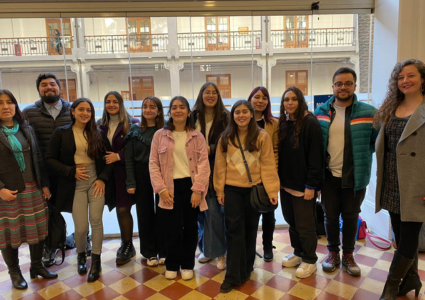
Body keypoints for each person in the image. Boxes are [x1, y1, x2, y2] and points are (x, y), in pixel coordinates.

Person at [315, 67, 378, 277]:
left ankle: (349, 255)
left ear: (355, 86)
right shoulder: (320, 113)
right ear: (332, 87)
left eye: (348, 83)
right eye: (339, 83)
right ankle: (333, 253)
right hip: (328, 177)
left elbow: (375, 143)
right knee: (330, 217)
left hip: (355, 177)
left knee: (351, 217)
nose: (343, 87)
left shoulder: (369, 113)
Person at [45, 98, 114, 282]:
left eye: (89, 110)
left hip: (95, 181)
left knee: (96, 221)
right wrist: (70, 171)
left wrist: (102, 179)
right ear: (73, 111)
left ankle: (97, 260)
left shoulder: (98, 133)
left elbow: (109, 160)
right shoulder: (61, 133)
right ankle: (81, 255)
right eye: (81, 109)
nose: (85, 113)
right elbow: (50, 159)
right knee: (82, 227)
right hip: (74, 182)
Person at [214, 100, 279, 293]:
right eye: (237, 112)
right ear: (232, 116)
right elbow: (219, 167)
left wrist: (272, 190)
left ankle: (247, 267)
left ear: (251, 114)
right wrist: (219, 190)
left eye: (245, 112)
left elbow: (268, 164)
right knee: (234, 231)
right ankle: (233, 275)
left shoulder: (262, 136)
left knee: (250, 230)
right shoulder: (225, 138)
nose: (241, 115)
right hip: (232, 190)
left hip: (255, 189)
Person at [22, 73, 87, 267]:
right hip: (45, 172)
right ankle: (52, 246)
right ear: (39, 90)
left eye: (52, 84)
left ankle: (83, 239)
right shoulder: (29, 113)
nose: (49, 88)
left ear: (60, 87)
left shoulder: (73, 109)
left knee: (80, 208)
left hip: (74, 170)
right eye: (44, 85)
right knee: (50, 211)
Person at [374, 59, 425, 300]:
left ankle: (392, 285)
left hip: (417, 184)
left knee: (409, 237)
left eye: (411, 76)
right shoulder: (391, 107)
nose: (405, 80)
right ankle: (413, 278)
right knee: (400, 235)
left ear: (422, 79)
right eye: (401, 77)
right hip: (392, 182)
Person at [0, 89, 57, 290]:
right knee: (8, 234)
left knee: (38, 229)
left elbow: (38, 158)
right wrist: (0, 190)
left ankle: (37, 266)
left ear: (15, 105)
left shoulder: (25, 127)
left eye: (9, 102)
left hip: (33, 188)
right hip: (8, 194)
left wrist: (44, 184)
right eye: (0, 103)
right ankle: (15, 272)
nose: (5, 107)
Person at [149, 96, 210, 281]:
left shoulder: (197, 136)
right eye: (174, 107)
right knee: (171, 229)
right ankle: (172, 264)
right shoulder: (160, 135)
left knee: (191, 228)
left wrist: (198, 190)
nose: (178, 110)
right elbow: (153, 163)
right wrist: (161, 189)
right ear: (169, 112)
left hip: (190, 187)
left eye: (182, 107)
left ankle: (187, 264)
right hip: (169, 188)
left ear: (188, 111)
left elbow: (204, 164)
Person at [278, 87, 323, 278]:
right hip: (286, 185)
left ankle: (310, 259)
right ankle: (298, 253)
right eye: (286, 99)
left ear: (301, 101)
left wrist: (311, 185)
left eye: (294, 99)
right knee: (292, 221)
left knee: (305, 225)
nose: (290, 103)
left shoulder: (310, 123)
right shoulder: (285, 123)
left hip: (304, 186)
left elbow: (316, 157)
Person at [98, 91, 139, 265]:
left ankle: (127, 245)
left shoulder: (133, 124)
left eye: (115, 101)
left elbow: (137, 149)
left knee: (123, 209)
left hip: (125, 173)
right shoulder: (98, 125)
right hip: (106, 175)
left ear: (121, 104)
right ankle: (125, 243)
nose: (112, 105)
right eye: (108, 101)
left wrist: (119, 156)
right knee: (116, 208)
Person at [192, 82, 229, 269]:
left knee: (214, 212)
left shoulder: (226, 117)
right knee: (200, 213)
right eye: (207, 92)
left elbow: (231, 142)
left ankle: (220, 252)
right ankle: (207, 248)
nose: (211, 95)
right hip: (193, 168)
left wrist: (210, 149)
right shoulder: (192, 116)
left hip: (216, 167)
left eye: (215, 92)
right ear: (201, 94)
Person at [125, 96, 166, 266]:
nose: (148, 109)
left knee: (165, 213)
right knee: (145, 214)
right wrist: (131, 182)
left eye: (152, 106)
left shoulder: (165, 130)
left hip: (163, 174)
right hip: (141, 174)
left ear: (158, 111)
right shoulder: (135, 130)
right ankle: (149, 252)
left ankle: (164, 250)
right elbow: (129, 159)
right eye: (145, 106)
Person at [247, 86, 278, 262]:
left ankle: (267, 246)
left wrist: (273, 174)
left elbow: (275, 150)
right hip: (246, 176)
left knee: (268, 212)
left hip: (267, 174)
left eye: (264, 98)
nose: (260, 101)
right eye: (257, 97)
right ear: (250, 99)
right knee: (250, 215)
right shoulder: (241, 119)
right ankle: (249, 248)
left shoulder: (273, 123)